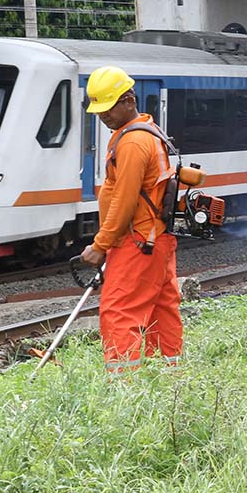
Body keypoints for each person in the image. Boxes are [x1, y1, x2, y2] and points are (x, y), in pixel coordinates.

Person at [79, 65, 182, 374]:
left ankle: (123, 385)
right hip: (155, 239)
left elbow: (124, 200)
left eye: (109, 108)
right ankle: (167, 376)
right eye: (99, 110)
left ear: (129, 100)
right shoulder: (143, 132)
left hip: (138, 241)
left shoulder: (133, 142)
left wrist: (101, 245)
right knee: (161, 309)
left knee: (119, 311)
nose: (103, 116)